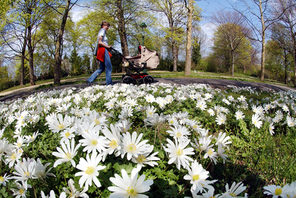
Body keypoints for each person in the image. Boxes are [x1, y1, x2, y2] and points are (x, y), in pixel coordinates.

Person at [87, 21, 113, 85]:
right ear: (103, 26)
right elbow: (100, 42)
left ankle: (90, 80)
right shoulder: (103, 31)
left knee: (101, 68)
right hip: (103, 50)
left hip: (101, 50)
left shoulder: (101, 31)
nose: (108, 28)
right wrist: (108, 46)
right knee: (109, 67)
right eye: (107, 26)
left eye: (108, 26)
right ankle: (109, 83)